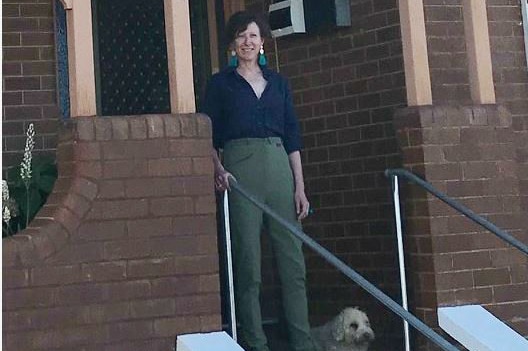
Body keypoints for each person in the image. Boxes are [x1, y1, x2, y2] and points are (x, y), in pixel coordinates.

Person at [202, 11, 317, 351]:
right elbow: (208, 134)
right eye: (241, 36)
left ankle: (302, 340)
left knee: (292, 259)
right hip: (240, 167)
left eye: (253, 36)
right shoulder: (221, 85)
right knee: (248, 261)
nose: (247, 42)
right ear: (232, 44)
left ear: (262, 41)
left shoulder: (279, 83)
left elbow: (293, 135)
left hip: (279, 164)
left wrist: (299, 185)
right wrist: (217, 169)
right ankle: (255, 340)